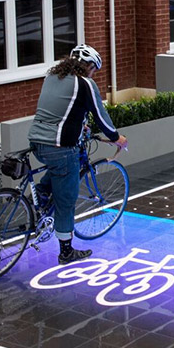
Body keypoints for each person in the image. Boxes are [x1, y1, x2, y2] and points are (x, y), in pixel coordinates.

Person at [28, 45, 128, 264]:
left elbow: (59, 110)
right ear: (89, 66)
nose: (94, 75)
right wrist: (116, 138)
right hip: (59, 147)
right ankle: (66, 251)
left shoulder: (53, 76)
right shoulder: (85, 83)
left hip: (36, 142)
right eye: (94, 70)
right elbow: (101, 118)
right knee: (66, 198)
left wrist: (80, 126)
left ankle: (36, 206)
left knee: (58, 174)